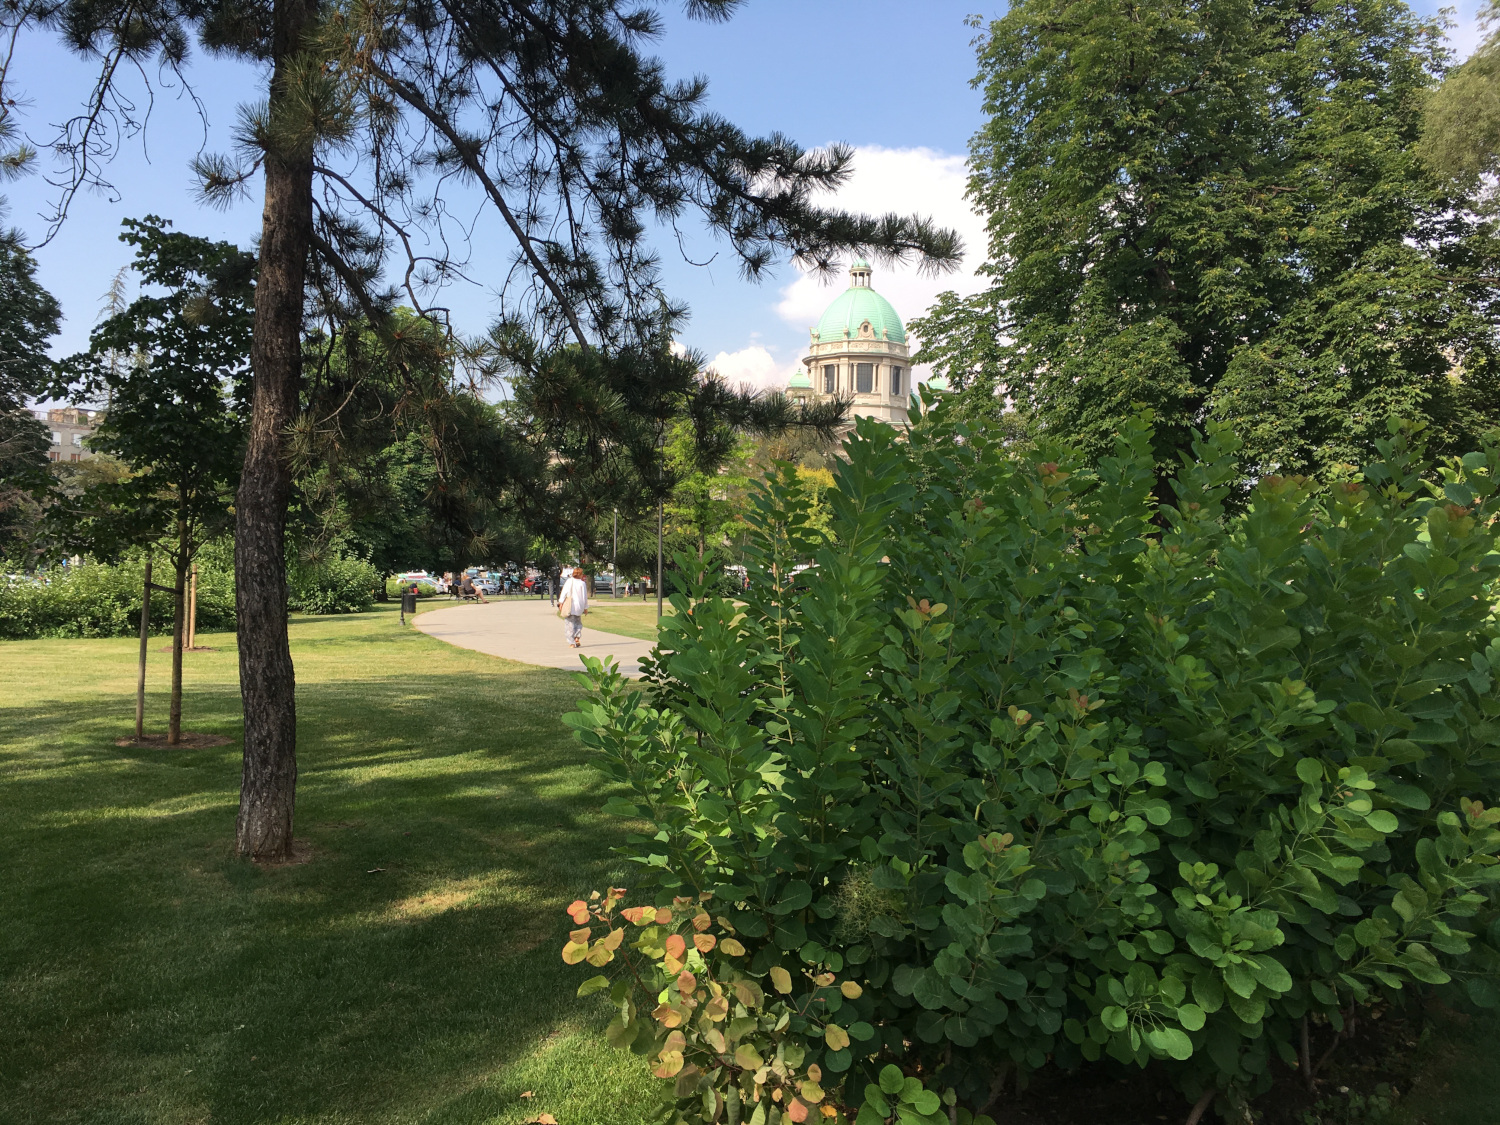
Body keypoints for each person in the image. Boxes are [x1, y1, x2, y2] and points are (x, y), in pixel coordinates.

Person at [557, 566, 590, 648]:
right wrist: (585, 607)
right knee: (578, 623)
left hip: (570, 606)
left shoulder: (569, 581)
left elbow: (564, 592)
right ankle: (577, 637)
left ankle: (571, 642)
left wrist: (560, 602)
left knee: (569, 625)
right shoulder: (582, 583)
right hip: (579, 606)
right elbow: (584, 597)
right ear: (580, 574)